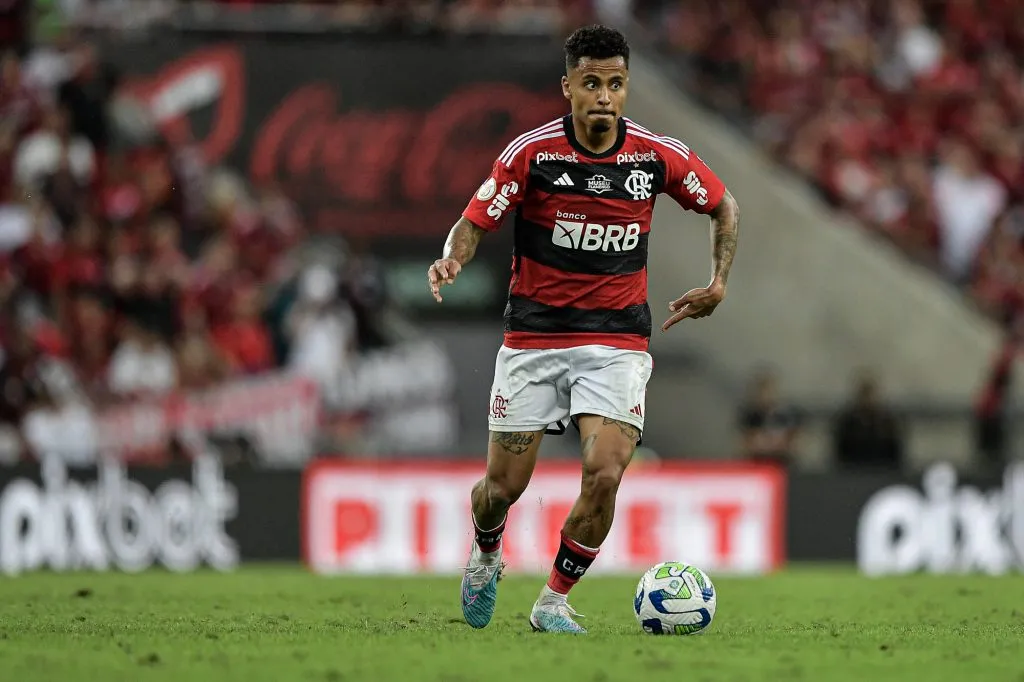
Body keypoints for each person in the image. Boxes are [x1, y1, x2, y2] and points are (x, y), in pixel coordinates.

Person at [426, 25, 740, 634]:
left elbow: (724, 205)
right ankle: (487, 552)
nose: (604, 96)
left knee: (605, 472)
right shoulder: (532, 154)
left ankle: (552, 601)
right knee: (501, 489)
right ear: (567, 86)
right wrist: (453, 258)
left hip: (617, 341)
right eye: (591, 83)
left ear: (626, 89)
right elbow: (474, 219)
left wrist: (718, 280)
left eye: (615, 84)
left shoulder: (654, 156)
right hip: (535, 338)